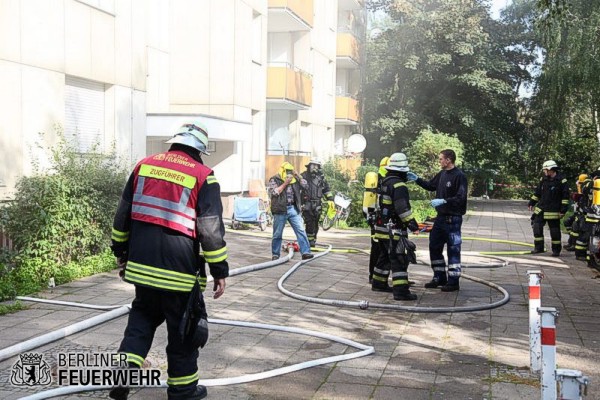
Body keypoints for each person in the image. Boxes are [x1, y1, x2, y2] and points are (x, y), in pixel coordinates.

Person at [109, 121, 229, 400]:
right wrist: (219, 270)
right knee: (183, 334)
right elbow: (210, 230)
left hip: (141, 268)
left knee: (140, 321)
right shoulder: (203, 176)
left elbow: (122, 215)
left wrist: (121, 252)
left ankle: (124, 374)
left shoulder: (144, 166)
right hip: (178, 274)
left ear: (174, 143)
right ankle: (183, 391)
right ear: (199, 150)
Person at [407, 149, 468, 292]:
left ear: (448, 160)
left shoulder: (459, 176)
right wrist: (417, 179)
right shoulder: (442, 174)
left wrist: (444, 201)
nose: (439, 161)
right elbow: (430, 185)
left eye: (441, 159)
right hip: (440, 219)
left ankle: (453, 281)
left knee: (453, 249)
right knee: (434, 246)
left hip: (453, 219)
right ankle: (439, 276)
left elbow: (461, 198)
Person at [372, 153, 420, 300]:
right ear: (402, 170)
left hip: (381, 228)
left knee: (385, 256)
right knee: (399, 258)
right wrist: (413, 225)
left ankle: (378, 283)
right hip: (393, 230)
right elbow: (402, 208)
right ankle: (401, 292)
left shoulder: (385, 181)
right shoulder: (399, 185)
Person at [268, 162, 314, 261]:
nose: (289, 173)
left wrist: (298, 175)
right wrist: (285, 183)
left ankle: (306, 252)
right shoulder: (275, 179)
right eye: (287, 171)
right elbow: (274, 192)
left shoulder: (295, 179)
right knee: (277, 233)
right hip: (280, 210)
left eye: (290, 171)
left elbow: (306, 186)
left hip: (293, 208)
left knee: (301, 230)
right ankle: (275, 254)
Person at [527, 160, 570, 256]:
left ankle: (556, 250)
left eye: (545, 170)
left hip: (553, 210)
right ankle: (539, 248)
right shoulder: (544, 180)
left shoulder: (561, 181)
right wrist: (532, 202)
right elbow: (537, 193)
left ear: (550, 169)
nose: (544, 172)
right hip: (541, 208)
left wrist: (563, 210)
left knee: (554, 231)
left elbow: (565, 197)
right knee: (536, 226)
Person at [365, 156, 389, 284]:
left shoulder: (378, 179)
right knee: (378, 248)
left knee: (378, 247)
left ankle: (374, 276)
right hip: (378, 218)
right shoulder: (381, 180)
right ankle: (373, 276)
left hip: (375, 218)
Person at [300, 158, 334, 247]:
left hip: (318, 204)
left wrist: (330, 199)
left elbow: (326, 189)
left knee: (315, 222)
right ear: (309, 166)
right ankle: (309, 241)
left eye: (316, 166)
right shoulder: (303, 176)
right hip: (307, 203)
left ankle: (313, 239)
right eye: (313, 165)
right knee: (309, 222)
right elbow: (297, 190)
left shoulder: (321, 178)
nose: (314, 167)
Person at [564, 174, 590, 252]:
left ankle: (574, 244)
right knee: (568, 222)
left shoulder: (589, 188)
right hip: (579, 212)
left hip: (584, 214)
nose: (579, 186)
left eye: (580, 184)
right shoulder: (583, 186)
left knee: (576, 226)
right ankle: (571, 242)